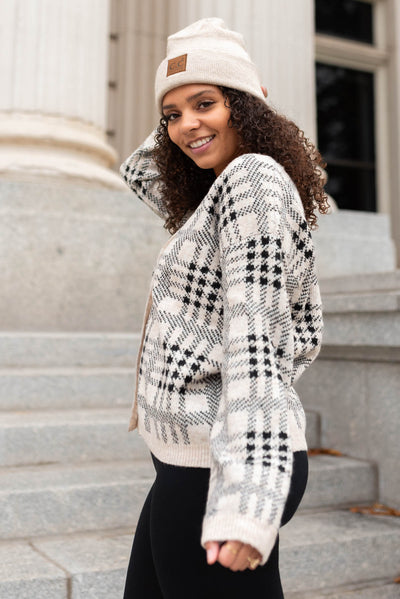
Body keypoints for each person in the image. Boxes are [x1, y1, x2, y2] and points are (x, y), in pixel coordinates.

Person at [120, 17, 328, 599]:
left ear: (247, 106)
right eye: (172, 114)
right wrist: (194, 63)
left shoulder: (252, 182)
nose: (186, 125)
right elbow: (140, 172)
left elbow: (255, 349)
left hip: (222, 467)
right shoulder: (219, 192)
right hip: (188, 464)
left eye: (206, 103)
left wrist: (248, 504)